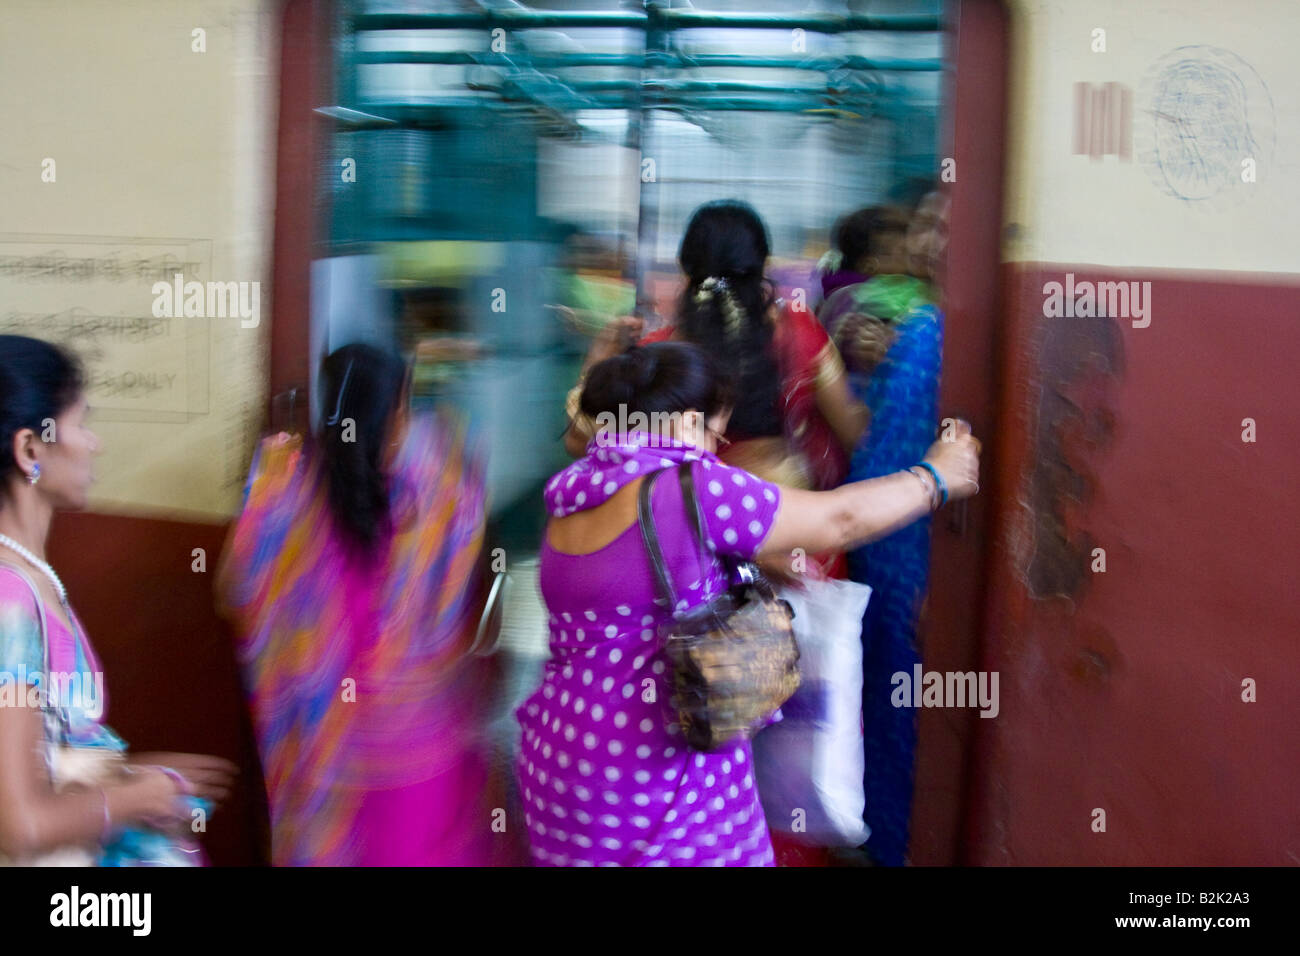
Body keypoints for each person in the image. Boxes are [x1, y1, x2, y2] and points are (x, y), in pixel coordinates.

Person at [518, 341, 979, 866]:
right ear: (690, 421)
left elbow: (633, 583)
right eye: (716, 431)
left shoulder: (573, 491)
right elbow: (840, 520)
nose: (716, 447)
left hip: (563, 759)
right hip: (657, 771)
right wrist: (935, 478)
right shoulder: (689, 485)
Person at [217, 344, 505, 866]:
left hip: (322, 748)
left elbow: (236, 589)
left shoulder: (282, 488)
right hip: (413, 748)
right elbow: (467, 517)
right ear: (397, 415)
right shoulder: (433, 497)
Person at [0, 335, 235, 866]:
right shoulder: (10, 604)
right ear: (30, 450)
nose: (94, 443)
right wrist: (136, 797)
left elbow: (39, 754)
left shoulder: (32, 582)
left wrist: (124, 772)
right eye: (82, 422)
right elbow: (18, 826)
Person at [565, 200, 867, 498]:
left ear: (685, 267)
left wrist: (597, 362)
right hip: (795, 530)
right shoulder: (800, 330)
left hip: (693, 535)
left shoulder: (657, 354)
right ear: (763, 265)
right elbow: (854, 435)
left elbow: (581, 444)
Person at [824, 190, 952, 866]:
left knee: (904, 717)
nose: (930, 239)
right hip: (880, 553)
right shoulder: (920, 322)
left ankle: (898, 847)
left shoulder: (958, 332)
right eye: (926, 223)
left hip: (919, 563)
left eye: (947, 227)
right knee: (873, 697)